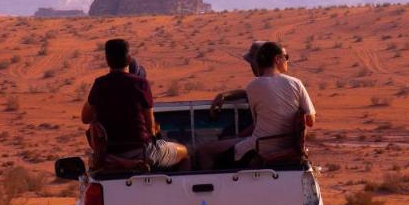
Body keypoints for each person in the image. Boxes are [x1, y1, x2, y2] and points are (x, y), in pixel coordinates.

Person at [197, 40, 316, 169]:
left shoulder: (253, 86)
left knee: (204, 152)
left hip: (259, 147)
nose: (287, 61)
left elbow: (257, 122)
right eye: (286, 58)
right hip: (286, 146)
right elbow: (310, 121)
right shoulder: (296, 83)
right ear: (277, 59)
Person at [81, 38, 187, 171]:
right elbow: (150, 125)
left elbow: (85, 118)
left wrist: (95, 96)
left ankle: (121, 162)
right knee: (184, 152)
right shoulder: (141, 83)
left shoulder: (99, 84)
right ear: (129, 58)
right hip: (140, 150)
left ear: (107, 60)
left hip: (111, 152)